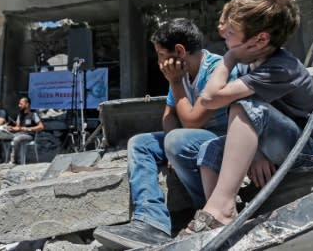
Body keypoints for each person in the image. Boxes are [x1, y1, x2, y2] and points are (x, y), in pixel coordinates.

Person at [178, 0, 313, 236]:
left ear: (260, 39)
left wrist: (229, 57)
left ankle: (222, 210)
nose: (224, 39)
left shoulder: (280, 68)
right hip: (273, 143)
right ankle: (216, 214)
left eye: (230, 35)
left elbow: (210, 98)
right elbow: (218, 102)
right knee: (209, 149)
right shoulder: (252, 61)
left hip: (308, 150)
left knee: (245, 105)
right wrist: (257, 152)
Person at [93, 18, 237, 249]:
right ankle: (151, 222)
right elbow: (169, 116)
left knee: (178, 139)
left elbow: (192, 122)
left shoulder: (215, 70)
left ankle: (210, 208)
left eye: (161, 54)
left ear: (179, 51)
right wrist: (170, 149)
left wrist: (176, 82)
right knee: (140, 143)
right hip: (191, 138)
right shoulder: (180, 75)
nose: (159, 61)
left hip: (221, 141)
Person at [7, 97, 44, 164]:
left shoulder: (33, 114)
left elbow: (41, 127)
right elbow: (18, 127)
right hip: (20, 133)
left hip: (29, 135)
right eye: (19, 104)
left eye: (21, 104)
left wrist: (28, 129)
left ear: (27, 104)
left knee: (16, 139)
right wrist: (12, 128)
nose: (19, 106)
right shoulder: (20, 115)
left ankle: (15, 161)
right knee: (6, 136)